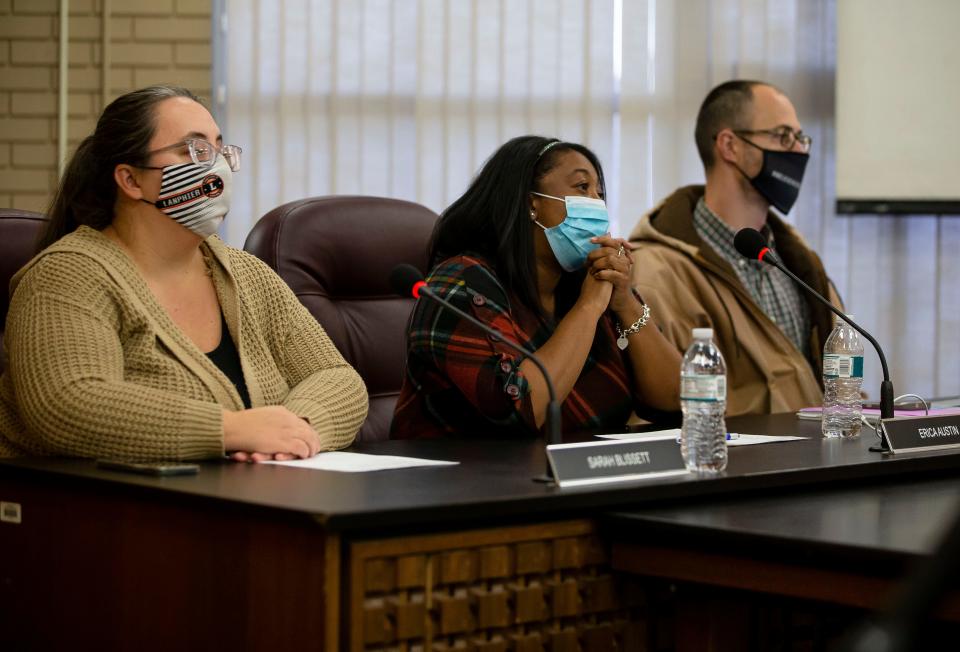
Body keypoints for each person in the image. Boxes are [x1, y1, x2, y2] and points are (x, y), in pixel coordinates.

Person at [0, 85, 368, 461]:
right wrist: (231, 431)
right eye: (194, 150)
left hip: (248, 498)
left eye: (219, 149)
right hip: (91, 508)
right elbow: (67, 404)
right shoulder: (67, 276)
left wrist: (294, 432)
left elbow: (338, 378)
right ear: (130, 180)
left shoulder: (246, 274)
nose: (217, 166)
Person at [392, 136, 681, 439]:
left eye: (600, 192)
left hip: (585, 475)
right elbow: (518, 409)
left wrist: (625, 303)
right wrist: (588, 307)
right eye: (583, 187)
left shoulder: (592, 280)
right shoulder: (461, 283)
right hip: (471, 479)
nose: (596, 202)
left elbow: (677, 402)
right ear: (531, 203)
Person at [628, 80, 840, 416]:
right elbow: (669, 400)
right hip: (730, 462)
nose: (799, 151)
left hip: (816, 460)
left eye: (801, 138)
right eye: (783, 136)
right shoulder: (658, 271)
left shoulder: (798, 263)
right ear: (730, 146)